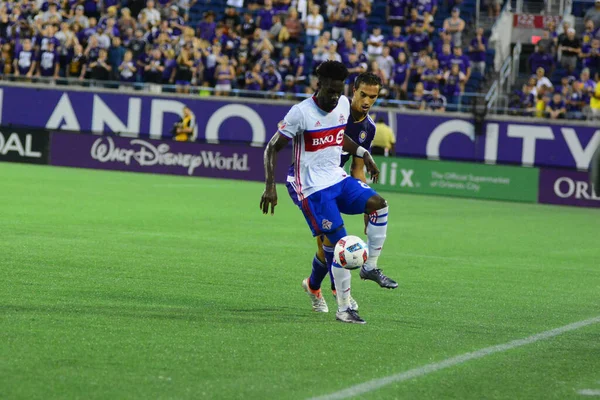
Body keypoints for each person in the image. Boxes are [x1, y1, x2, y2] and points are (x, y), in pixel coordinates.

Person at [260, 62, 397, 324]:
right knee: (338, 245)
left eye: (339, 92)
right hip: (310, 186)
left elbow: (337, 136)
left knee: (379, 204)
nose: (335, 97)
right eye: (331, 92)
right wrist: (269, 186)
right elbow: (271, 148)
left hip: (336, 177)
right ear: (318, 86)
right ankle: (344, 308)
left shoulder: (343, 104)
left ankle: (369, 268)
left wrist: (363, 153)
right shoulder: (300, 113)